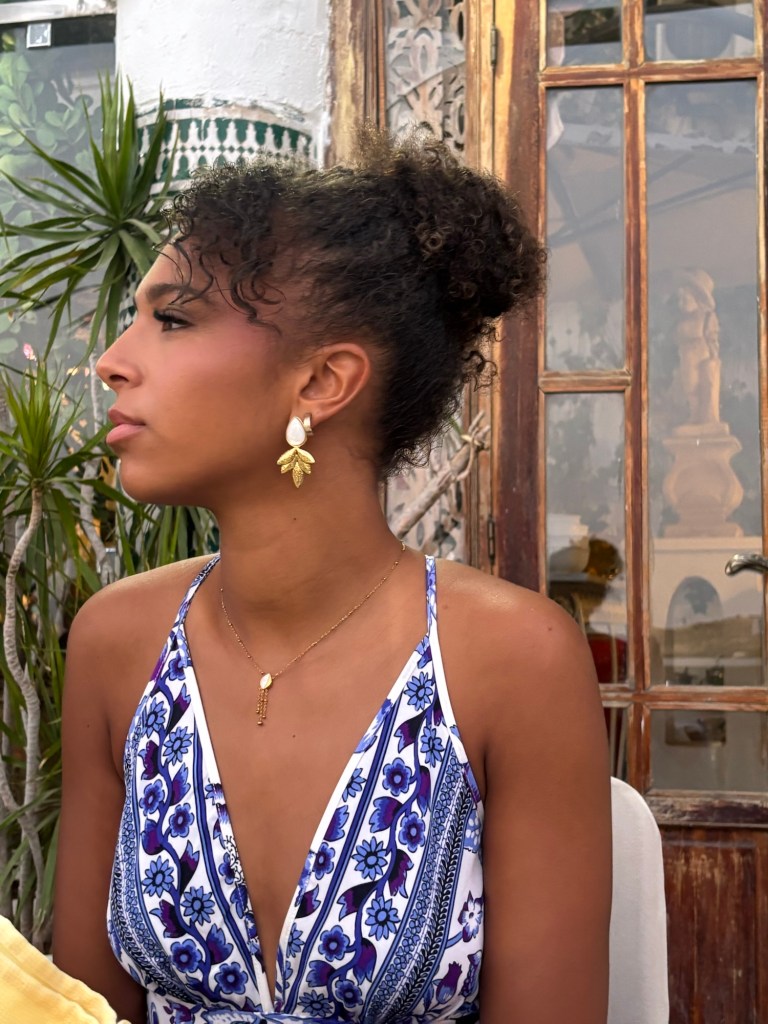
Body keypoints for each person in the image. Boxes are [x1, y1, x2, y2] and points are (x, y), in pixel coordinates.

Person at [52, 128, 612, 1024]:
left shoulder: (513, 661)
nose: (113, 360)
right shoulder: (119, 643)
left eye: (173, 319)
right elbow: (80, 1007)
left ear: (321, 381)